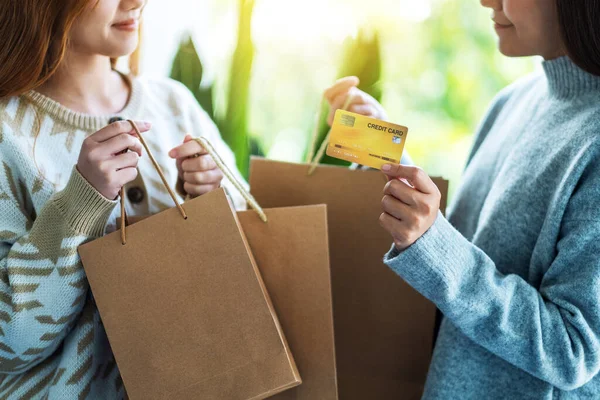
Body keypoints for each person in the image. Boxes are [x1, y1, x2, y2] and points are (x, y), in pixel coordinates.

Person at [326, 0, 600, 398]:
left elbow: (574, 350)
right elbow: (468, 248)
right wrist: (381, 153)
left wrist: (432, 242)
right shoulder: (513, 102)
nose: (487, 1)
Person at [0, 0, 247, 398]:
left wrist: (212, 197)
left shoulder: (174, 104)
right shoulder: (6, 134)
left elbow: (252, 271)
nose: (136, 2)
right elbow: (8, 344)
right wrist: (80, 205)